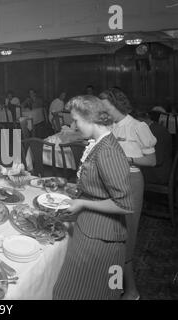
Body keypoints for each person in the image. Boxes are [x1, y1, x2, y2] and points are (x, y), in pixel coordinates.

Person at [53, 95, 133, 300]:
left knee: (73, 293)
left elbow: (124, 204)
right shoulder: (98, 143)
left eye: (77, 120)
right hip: (90, 229)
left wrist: (82, 202)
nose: (74, 125)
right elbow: (98, 187)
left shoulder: (107, 151)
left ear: (90, 119)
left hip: (100, 237)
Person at [99, 87, 157, 300]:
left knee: (126, 238)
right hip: (110, 181)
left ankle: (131, 292)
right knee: (112, 238)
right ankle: (114, 288)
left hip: (130, 182)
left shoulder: (137, 127)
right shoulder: (110, 126)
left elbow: (151, 160)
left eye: (105, 107)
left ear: (117, 104)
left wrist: (129, 159)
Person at [134, 111, 172, 185]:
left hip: (157, 173)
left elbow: (157, 160)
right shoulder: (154, 128)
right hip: (157, 169)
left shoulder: (155, 132)